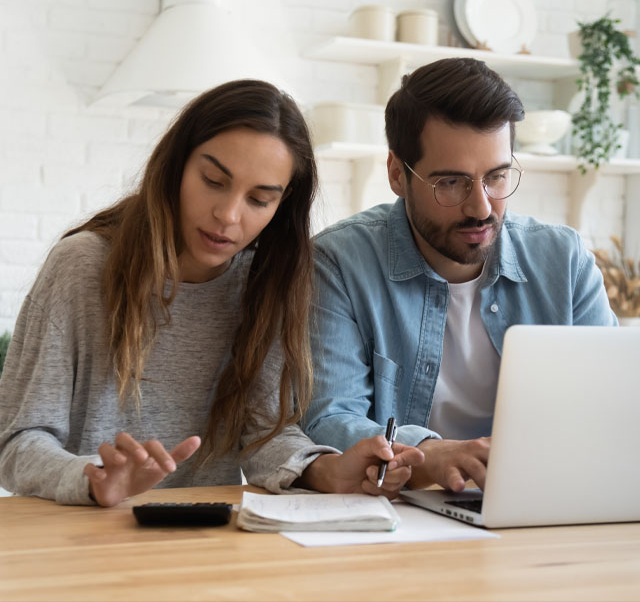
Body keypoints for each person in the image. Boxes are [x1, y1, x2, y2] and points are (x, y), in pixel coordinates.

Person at [0, 79, 423, 506]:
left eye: (259, 199)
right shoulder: (82, 266)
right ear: (177, 164)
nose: (228, 215)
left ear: (281, 204)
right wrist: (92, 477)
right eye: (213, 180)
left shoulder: (265, 281)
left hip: (200, 536)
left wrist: (327, 470)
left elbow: (263, 436)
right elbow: (17, 441)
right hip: (75, 538)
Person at [303, 58, 617, 493]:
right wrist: (430, 454)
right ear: (397, 173)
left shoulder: (564, 261)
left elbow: (613, 406)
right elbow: (328, 418)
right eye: (451, 183)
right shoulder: (337, 262)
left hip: (543, 499)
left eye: (497, 176)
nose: (481, 207)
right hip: (401, 512)